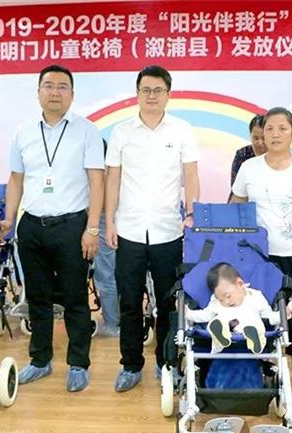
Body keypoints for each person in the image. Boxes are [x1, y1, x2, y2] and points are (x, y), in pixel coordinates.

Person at [0, 64, 104, 393]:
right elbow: (16, 179)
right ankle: (40, 360)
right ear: (38, 92)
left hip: (72, 226)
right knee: (37, 297)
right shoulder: (23, 132)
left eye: (62, 86)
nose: (55, 92)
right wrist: (9, 219)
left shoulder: (87, 131)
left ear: (72, 93)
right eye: (48, 86)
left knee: (75, 298)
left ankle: (78, 363)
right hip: (31, 226)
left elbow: (96, 181)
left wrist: (92, 228)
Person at [105, 65, 200, 392]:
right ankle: (131, 365)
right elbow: (113, 179)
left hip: (168, 230)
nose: (151, 96)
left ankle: (166, 362)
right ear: (137, 93)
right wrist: (109, 220)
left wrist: (191, 213)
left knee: (168, 301)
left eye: (158, 90)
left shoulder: (182, 130)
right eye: (146, 90)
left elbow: (191, 176)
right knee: (130, 300)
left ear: (168, 94)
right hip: (129, 230)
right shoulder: (121, 132)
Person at [231, 106, 292, 405]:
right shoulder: (249, 168)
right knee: (257, 315)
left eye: (282, 128)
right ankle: (261, 376)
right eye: (269, 128)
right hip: (257, 257)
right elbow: (235, 207)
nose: (275, 134)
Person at [185, 263, 292, 354]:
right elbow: (204, 315)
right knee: (215, 323)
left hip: (249, 327)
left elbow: (270, 317)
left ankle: (256, 342)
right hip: (227, 329)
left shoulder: (255, 297)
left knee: (257, 325)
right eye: (221, 299)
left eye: (228, 296)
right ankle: (220, 338)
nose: (226, 301)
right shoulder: (216, 302)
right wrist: (187, 313)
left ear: (240, 284)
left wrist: (287, 310)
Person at [93, 139, 119, 337]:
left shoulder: (101, 174)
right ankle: (114, 322)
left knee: (106, 276)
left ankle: (112, 325)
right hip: (111, 222)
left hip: (102, 224)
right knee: (110, 275)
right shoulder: (114, 171)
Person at [229, 114, 267, 199]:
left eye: (264, 138)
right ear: (250, 136)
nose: (260, 143)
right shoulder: (242, 155)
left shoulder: (278, 156)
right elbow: (236, 189)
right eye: (256, 138)